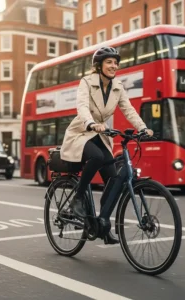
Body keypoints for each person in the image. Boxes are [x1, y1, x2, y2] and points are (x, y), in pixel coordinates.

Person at [60, 46, 153, 244]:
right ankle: (77, 199)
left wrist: (143, 127)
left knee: (113, 179)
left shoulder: (117, 87)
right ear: (99, 65)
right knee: (98, 157)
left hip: (101, 136)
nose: (114, 66)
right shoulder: (86, 82)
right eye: (109, 62)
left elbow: (128, 110)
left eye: (116, 62)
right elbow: (82, 106)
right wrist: (91, 123)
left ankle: (102, 224)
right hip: (82, 132)